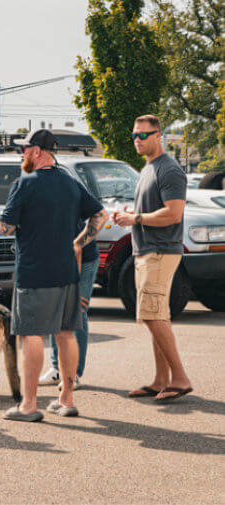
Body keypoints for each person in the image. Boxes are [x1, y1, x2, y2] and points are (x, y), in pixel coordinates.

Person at [0, 129, 108, 421]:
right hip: (67, 271)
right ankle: (65, 399)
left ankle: (29, 405)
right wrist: (79, 242)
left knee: (31, 335)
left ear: (36, 152)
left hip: (34, 271)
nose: (21, 154)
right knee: (66, 333)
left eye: (24, 149)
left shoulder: (24, 184)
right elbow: (100, 216)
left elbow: (6, 227)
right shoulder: (71, 183)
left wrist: (6, 222)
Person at [114, 114, 192, 402]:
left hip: (160, 251)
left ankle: (180, 378)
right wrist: (129, 218)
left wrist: (134, 218)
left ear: (158, 136)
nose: (137, 139)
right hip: (146, 251)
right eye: (134, 135)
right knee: (158, 315)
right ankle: (161, 379)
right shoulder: (148, 167)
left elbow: (174, 213)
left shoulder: (169, 170)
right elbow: (149, 212)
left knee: (150, 314)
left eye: (143, 135)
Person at [39, 221, 100, 389]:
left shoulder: (66, 203)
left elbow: (76, 249)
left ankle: (74, 373)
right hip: (59, 260)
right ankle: (57, 368)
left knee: (76, 311)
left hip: (83, 259)